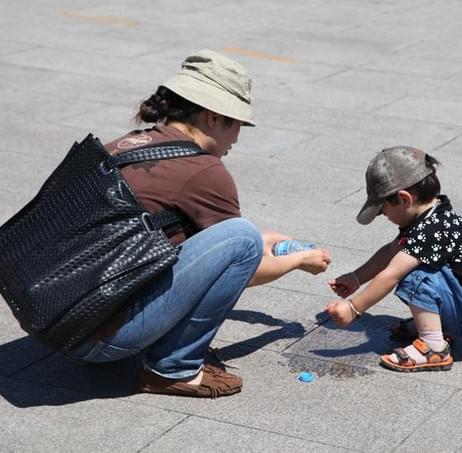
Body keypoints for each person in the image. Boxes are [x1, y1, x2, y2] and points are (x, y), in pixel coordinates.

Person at [67, 49, 332, 397]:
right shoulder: (205, 171)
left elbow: (174, 242)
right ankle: (172, 368)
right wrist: (296, 261)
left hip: (65, 324)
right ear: (211, 117)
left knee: (247, 238)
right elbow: (240, 268)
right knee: (243, 238)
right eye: (237, 123)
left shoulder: (124, 145)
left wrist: (261, 240)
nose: (237, 135)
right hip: (107, 340)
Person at [325, 146, 462, 371]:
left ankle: (433, 346)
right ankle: (437, 326)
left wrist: (353, 308)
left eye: (382, 209)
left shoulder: (431, 229)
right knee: (408, 263)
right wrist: (356, 278)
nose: (383, 216)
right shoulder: (429, 216)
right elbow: (389, 251)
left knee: (412, 275)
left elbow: (390, 274)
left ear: (404, 199)